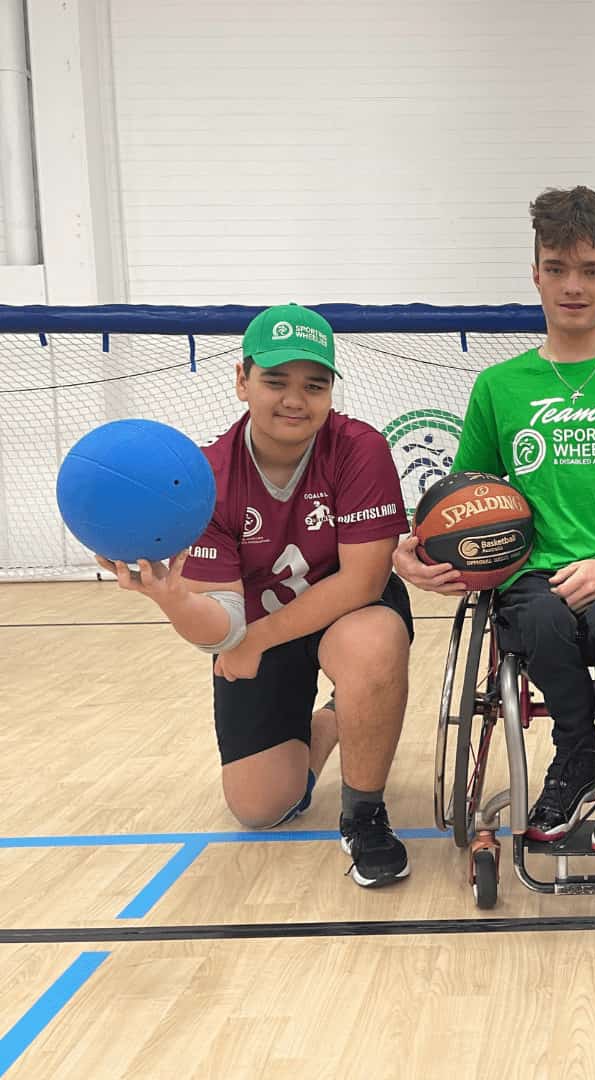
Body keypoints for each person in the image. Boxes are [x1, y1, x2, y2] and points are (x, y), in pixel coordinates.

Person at [395, 186, 595, 852]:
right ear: (535, 271)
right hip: (531, 576)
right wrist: (416, 553)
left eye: (591, 270)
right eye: (558, 268)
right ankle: (577, 754)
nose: (574, 286)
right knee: (535, 618)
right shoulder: (500, 387)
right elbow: (461, 499)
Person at [97, 303, 414, 888]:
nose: (296, 399)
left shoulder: (359, 448)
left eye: (314, 385)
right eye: (276, 380)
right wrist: (169, 598)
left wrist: (254, 640)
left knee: (373, 640)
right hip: (261, 626)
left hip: (344, 613)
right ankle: (339, 719)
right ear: (242, 380)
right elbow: (220, 625)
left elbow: (364, 581)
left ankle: (365, 815)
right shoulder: (206, 478)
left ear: (330, 392)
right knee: (261, 808)